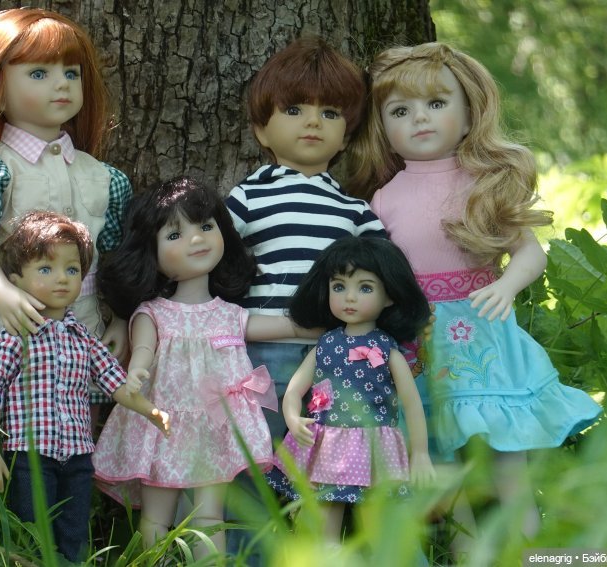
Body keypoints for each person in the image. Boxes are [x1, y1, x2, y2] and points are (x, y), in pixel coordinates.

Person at [347, 42, 602, 545]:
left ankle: (527, 544)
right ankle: (463, 550)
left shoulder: (483, 185)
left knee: (507, 456)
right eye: (401, 111)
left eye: (436, 103)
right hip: (418, 339)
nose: (420, 118)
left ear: (468, 117)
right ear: (383, 128)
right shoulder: (383, 198)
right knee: (440, 453)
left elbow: (529, 252)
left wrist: (506, 285)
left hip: (484, 331)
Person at [224, 37, 390, 561]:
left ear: (346, 135)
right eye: (294, 110)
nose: (313, 122)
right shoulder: (249, 196)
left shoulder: (354, 209)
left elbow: (387, 271)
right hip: (262, 358)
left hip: (337, 363)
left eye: (330, 113)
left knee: (327, 470)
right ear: (261, 130)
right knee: (254, 461)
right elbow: (212, 257)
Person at [92, 177, 314, 560]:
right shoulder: (153, 313)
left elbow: (287, 326)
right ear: (151, 252)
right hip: (163, 426)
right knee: (156, 517)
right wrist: (137, 371)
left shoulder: (229, 315)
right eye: (174, 235)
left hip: (214, 431)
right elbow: (142, 349)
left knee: (210, 517)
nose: (197, 239)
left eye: (206, 226)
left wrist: (327, 325)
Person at [0, 8, 131, 361]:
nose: (62, 83)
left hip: (87, 334)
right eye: (39, 73)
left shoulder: (104, 177)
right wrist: (1, 291)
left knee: (85, 396)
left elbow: (117, 259)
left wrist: (122, 316)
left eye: (71, 72)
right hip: (18, 331)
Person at [0, 211, 169, 563]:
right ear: (16, 280)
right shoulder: (16, 335)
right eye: (45, 269)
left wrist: (151, 411)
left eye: (72, 269)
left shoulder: (84, 339)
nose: (62, 279)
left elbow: (115, 382)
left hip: (77, 455)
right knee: (33, 531)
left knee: (74, 532)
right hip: (30, 454)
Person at [267, 236, 435, 547]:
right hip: (326, 441)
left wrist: (421, 452)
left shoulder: (387, 350)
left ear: (389, 297)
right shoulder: (326, 344)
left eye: (365, 288)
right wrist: (292, 417)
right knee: (321, 516)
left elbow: (412, 405)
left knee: (380, 520)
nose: (350, 297)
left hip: (373, 443)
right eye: (339, 286)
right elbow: (294, 390)